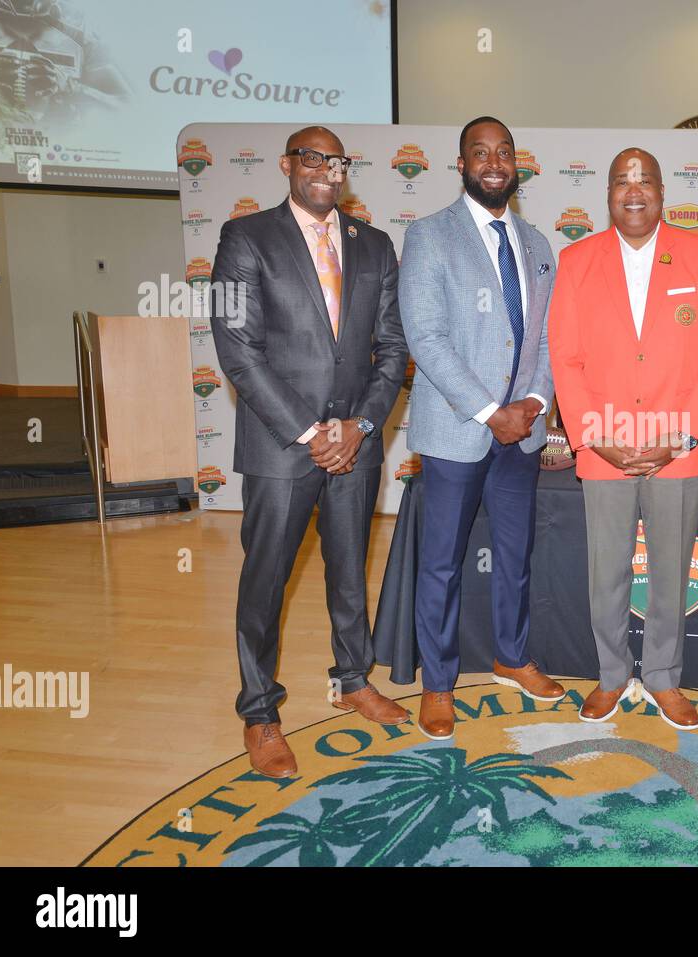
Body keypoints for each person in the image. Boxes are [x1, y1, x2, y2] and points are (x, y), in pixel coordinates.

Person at [210, 125, 410, 778]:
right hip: (280, 447)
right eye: (313, 158)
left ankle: (354, 679)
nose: (327, 169)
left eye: (337, 160)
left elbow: (392, 349)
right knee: (265, 582)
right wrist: (310, 431)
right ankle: (261, 712)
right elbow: (237, 346)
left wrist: (361, 425)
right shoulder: (245, 239)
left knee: (350, 568)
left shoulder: (374, 245)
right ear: (287, 164)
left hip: (356, 444)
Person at [549, 147, 698, 730]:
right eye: (622, 181)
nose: (634, 191)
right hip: (604, 444)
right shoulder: (577, 260)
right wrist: (590, 435)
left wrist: (680, 437)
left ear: (662, 191)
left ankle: (662, 676)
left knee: (670, 568)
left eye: (645, 180)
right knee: (606, 571)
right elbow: (566, 356)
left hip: (678, 449)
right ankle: (610, 675)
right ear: (608, 194)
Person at [395, 116, 563, 740]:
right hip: (457, 432)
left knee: (515, 556)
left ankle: (511, 657)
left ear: (517, 163)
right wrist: (491, 412)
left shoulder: (539, 243)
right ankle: (438, 685)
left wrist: (535, 402)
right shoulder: (430, 237)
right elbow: (427, 338)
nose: (494, 162)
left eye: (504, 152)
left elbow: (546, 337)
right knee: (441, 562)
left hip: (523, 431)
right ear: (461, 163)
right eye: (480, 152)